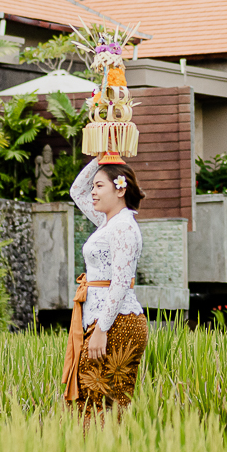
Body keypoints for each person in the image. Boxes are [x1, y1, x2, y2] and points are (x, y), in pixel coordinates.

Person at [62, 157, 148, 422]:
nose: (93, 192)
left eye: (99, 186)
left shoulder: (123, 226)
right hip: (105, 321)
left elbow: (120, 282)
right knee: (93, 402)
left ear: (120, 189)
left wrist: (101, 330)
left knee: (101, 403)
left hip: (116, 323)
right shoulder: (108, 222)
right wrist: (102, 155)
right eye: (94, 187)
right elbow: (76, 191)